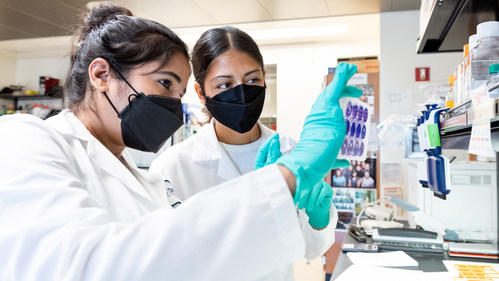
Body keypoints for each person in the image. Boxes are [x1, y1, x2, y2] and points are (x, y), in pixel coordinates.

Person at [0, 4, 361, 281]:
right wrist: (282, 180)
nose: (174, 103)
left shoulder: (151, 185)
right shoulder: (23, 139)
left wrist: (277, 195)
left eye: (179, 91)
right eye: (164, 83)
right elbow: (88, 266)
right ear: (101, 75)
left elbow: (188, 257)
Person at [149, 26, 339, 281]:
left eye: (252, 80)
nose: (241, 92)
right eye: (225, 84)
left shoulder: (291, 151)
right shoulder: (173, 167)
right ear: (201, 93)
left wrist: (319, 218)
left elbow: (312, 250)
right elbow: (169, 260)